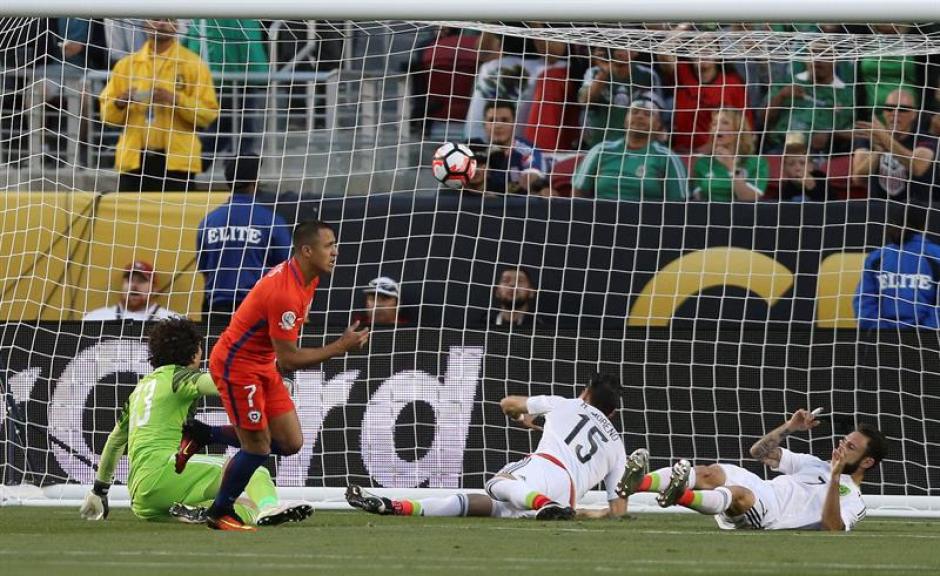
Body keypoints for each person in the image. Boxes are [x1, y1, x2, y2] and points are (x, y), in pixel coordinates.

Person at [176, 220, 370, 531]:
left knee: (290, 442)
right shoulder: (284, 293)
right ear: (306, 251)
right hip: (236, 365)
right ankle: (219, 511)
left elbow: (282, 346)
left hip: (262, 363)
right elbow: (290, 360)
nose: (336, 252)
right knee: (258, 448)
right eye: (328, 245)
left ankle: (205, 434)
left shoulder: (308, 277)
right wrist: (340, 346)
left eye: (335, 244)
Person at [79, 318, 312, 526]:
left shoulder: (140, 389)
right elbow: (226, 383)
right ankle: (270, 507)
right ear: (194, 354)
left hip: (142, 497)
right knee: (254, 471)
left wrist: (99, 491)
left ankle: (198, 512)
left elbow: (115, 442)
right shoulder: (180, 377)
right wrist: (272, 386)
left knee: (236, 506)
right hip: (164, 472)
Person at [346, 374, 628, 521]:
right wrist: (592, 513)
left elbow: (507, 403)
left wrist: (522, 416)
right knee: (481, 504)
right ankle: (395, 506)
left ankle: (545, 504)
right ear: (612, 413)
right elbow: (618, 509)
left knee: (496, 483)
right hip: (568, 497)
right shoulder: (617, 447)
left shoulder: (566, 403)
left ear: (586, 393)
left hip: (543, 472)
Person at [619, 409, 887, 531]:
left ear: (866, 462)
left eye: (850, 447)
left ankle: (678, 495)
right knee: (710, 472)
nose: (841, 448)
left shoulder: (855, 500)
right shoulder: (812, 463)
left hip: (772, 514)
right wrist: (790, 427)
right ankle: (637, 484)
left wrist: (837, 476)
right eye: (843, 441)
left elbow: (833, 527)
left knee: (737, 492)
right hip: (763, 488)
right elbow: (758, 452)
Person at [99, 19, 219, 192]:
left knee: (176, 217)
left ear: (177, 25)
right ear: (145, 24)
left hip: (177, 161)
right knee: (130, 217)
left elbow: (208, 114)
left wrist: (176, 99)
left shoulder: (194, 65)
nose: (162, 24)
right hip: (135, 159)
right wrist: (120, 102)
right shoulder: (126, 65)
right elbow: (107, 116)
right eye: (156, 19)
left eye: (168, 20)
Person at [196, 155, 292, 329]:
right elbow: (285, 268)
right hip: (257, 308)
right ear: (255, 181)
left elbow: (204, 268)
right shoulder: (270, 220)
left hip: (217, 310)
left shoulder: (209, 221)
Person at [572, 94, 688, 201]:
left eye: (648, 114)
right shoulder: (601, 150)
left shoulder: (667, 157)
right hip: (602, 219)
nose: (639, 117)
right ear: (625, 121)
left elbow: (679, 202)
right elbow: (577, 192)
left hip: (648, 221)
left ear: (658, 125)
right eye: (634, 112)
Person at [854, 203, 940, 329]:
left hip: (883, 339)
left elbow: (864, 304)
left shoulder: (877, 257)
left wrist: (880, 331)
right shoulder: (876, 258)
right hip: (927, 340)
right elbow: (864, 301)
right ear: (923, 226)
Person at [762, 48, 855, 155]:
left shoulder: (846, 95)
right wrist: (780, 97)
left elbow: (851, 132)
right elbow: (763, 120)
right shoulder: (787, 82)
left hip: (820, 153)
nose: (817, 59)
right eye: (812, 53)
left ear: (836, 60)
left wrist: (830, 135)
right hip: (779, 148)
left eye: (825, 55)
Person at [852, 88, 938, 203]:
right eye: (889, 109)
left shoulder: (926, 139)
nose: (895, 114)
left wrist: (885, 138)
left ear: (914, 114)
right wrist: (878, 151)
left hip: (916, 211)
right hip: (879, 211)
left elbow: (917, 167)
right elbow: (858, 179)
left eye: (902, 110)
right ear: (883, 112)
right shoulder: (869, 137)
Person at [578, 47, 661, 148]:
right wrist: (604, 72)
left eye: (626, 48)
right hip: (598, 142)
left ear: (636, 51)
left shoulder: (648, 75)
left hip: (634, 144)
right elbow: (584, 102)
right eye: (616, 48)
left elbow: (657, 113)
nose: (620, 52)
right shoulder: (594, 72)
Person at [690, 108, 768, 202]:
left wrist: (731, 168)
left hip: (743, 215)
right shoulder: (703, 163)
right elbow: (697, 201)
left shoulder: (757, 163)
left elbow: (749, 199)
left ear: (739, 130)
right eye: (714, 124)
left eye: (725, 123)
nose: (718, 127)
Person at [481, 100, 546, 194]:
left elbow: (531, 178)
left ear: (514, 124)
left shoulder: (526, 150)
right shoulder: (476, 149)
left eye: (504, 120)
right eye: (492, 120)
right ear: (484, 124)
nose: (498, 125)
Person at [83, 260, 180, 321]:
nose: (134, 286)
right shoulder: (96, 318)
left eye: (141, 281)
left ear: (155, 289)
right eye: (129, 280)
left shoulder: (171, 321)